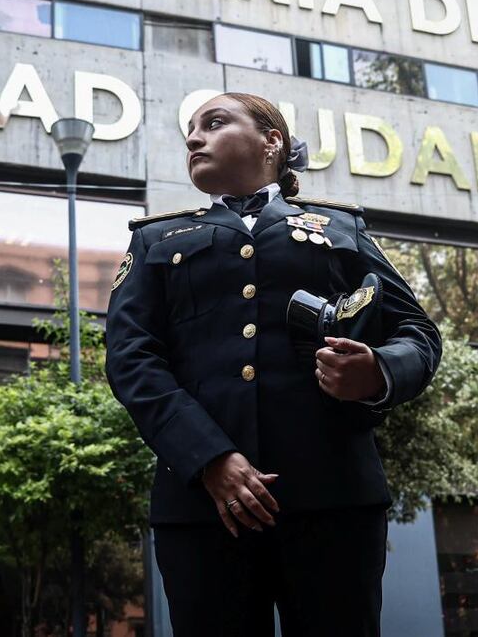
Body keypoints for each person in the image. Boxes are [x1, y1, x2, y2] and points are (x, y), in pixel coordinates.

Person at [105, 92, 441, 636]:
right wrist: (208, 458)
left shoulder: (340, 228)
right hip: (203, 509)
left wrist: (377, 370)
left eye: (213, 123)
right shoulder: (154, 240)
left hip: (334, 500)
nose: (194, 138)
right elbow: (129, 356)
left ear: (271, 141)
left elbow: (418, 334)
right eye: (190, 130)